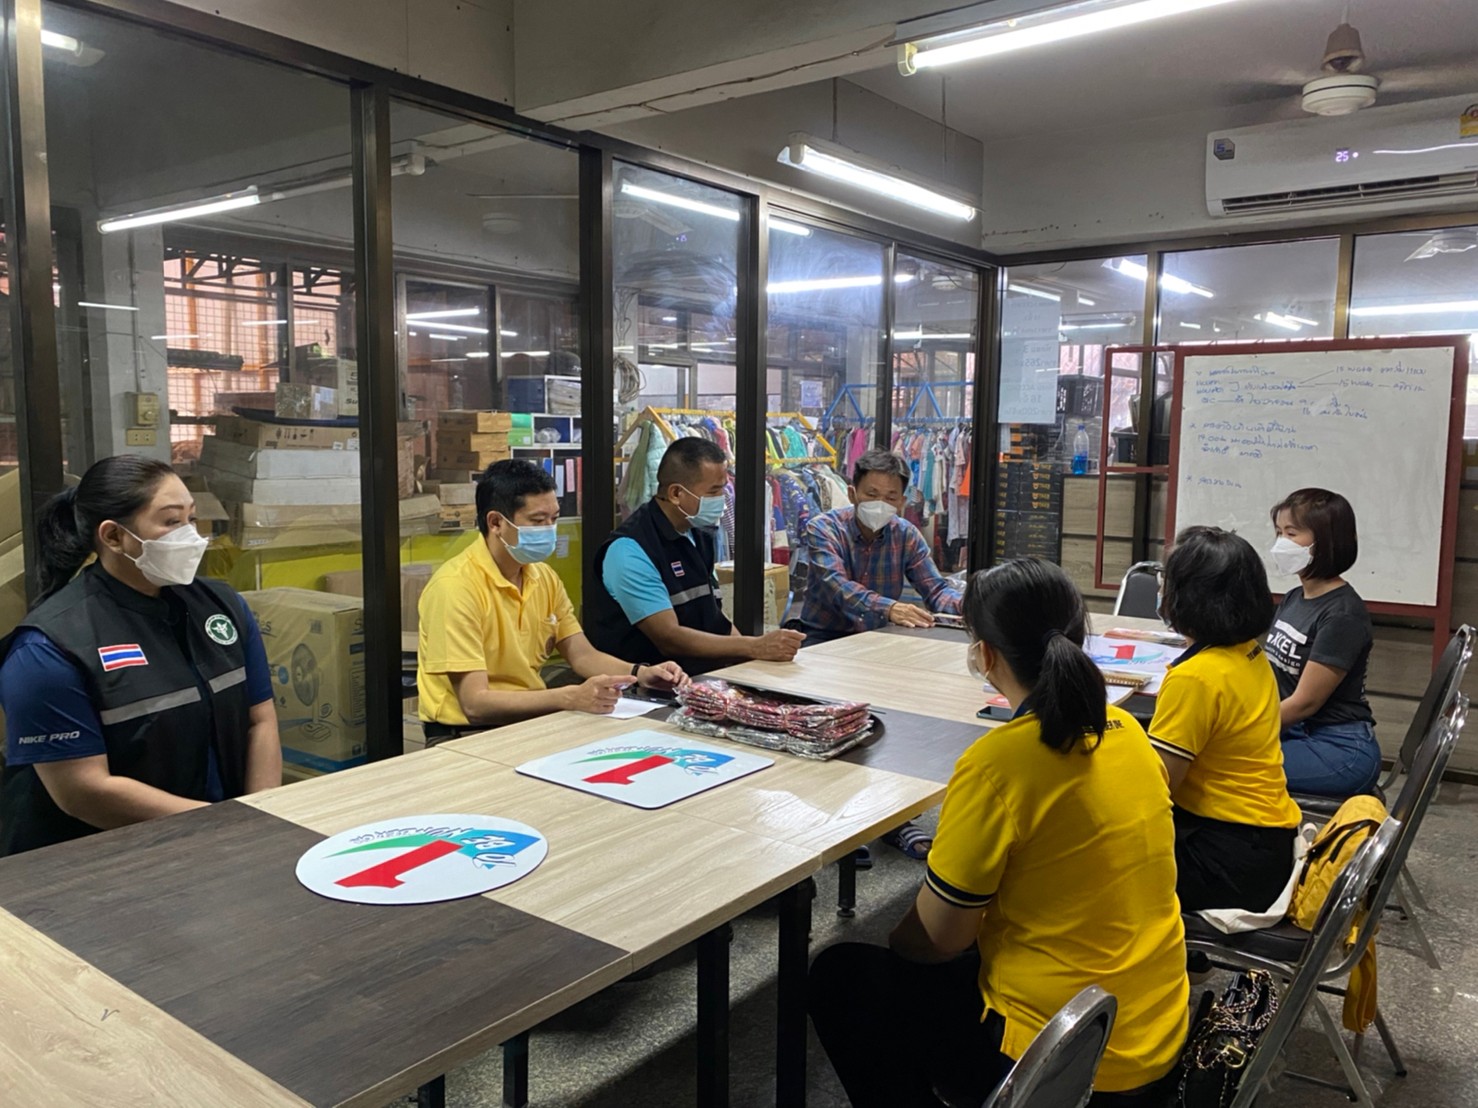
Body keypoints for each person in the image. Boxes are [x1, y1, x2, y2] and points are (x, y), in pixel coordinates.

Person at [809, 559, 1187, 1107]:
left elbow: (936, 941)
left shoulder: (998, 762)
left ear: (984, 655)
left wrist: (903, 940)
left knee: (841, 976)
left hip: (1058, 1067)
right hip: (1154, 1032)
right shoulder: (1127, 729)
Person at [0, 456, 281, 856]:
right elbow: (82, 790)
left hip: (223, 844)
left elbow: (260, 719)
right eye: (171, 522)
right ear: (114, 536)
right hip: (99, 863)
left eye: (191, 519)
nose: (190, 536)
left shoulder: (222, 607)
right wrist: (222, 826)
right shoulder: (48, 649)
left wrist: (263, 815)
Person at [418, 459, 686, 740]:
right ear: (496, 522)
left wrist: (641, 674)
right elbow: (475, 704)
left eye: (554, 519)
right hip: (465, 734)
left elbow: (582, 655)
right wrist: (569, 697)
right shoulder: (455, 588)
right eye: (537, 521)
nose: (549, 529)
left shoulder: (543, 577)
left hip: (529, 723)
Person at [1148, 526, 1302, 913]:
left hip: (1227, 860)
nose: (1162, 588)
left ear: (1188, 596)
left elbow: (1157, 788)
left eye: (1166, 579)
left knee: (1092, 858)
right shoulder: (1249, 653)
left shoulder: (1195, 678)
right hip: (1269, 845)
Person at [586, 436, 803, 675]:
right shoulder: (630, 550)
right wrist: (754, 646)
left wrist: (749, 661)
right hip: (649, 685)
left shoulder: (698, 534)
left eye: (724, 488)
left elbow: (714, 617)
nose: (723, 498)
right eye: (714, 491)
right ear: (676, 493)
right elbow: (669, 637)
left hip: (703, 678)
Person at [1265, 488, 1381, 797]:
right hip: (1298, 732)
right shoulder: (1294, 598)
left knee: (1224, 762)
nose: (1281, 543)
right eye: (1279, 532)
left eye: (1292, 533)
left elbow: (1305, 703)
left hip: (1338, 749)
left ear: (1326, 541)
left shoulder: (1342, 614)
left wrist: (1241, 730)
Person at [798, 448, 963, 643]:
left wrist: (969, 607)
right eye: (871, 494)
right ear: (852, 494)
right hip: (824, 636)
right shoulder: (824, 528)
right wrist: (890, 608)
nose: (880, 504)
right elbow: (837, 586)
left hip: (881, 634)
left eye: (890, 498)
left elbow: (935, 589)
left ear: (901, 502)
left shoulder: (906, 534)